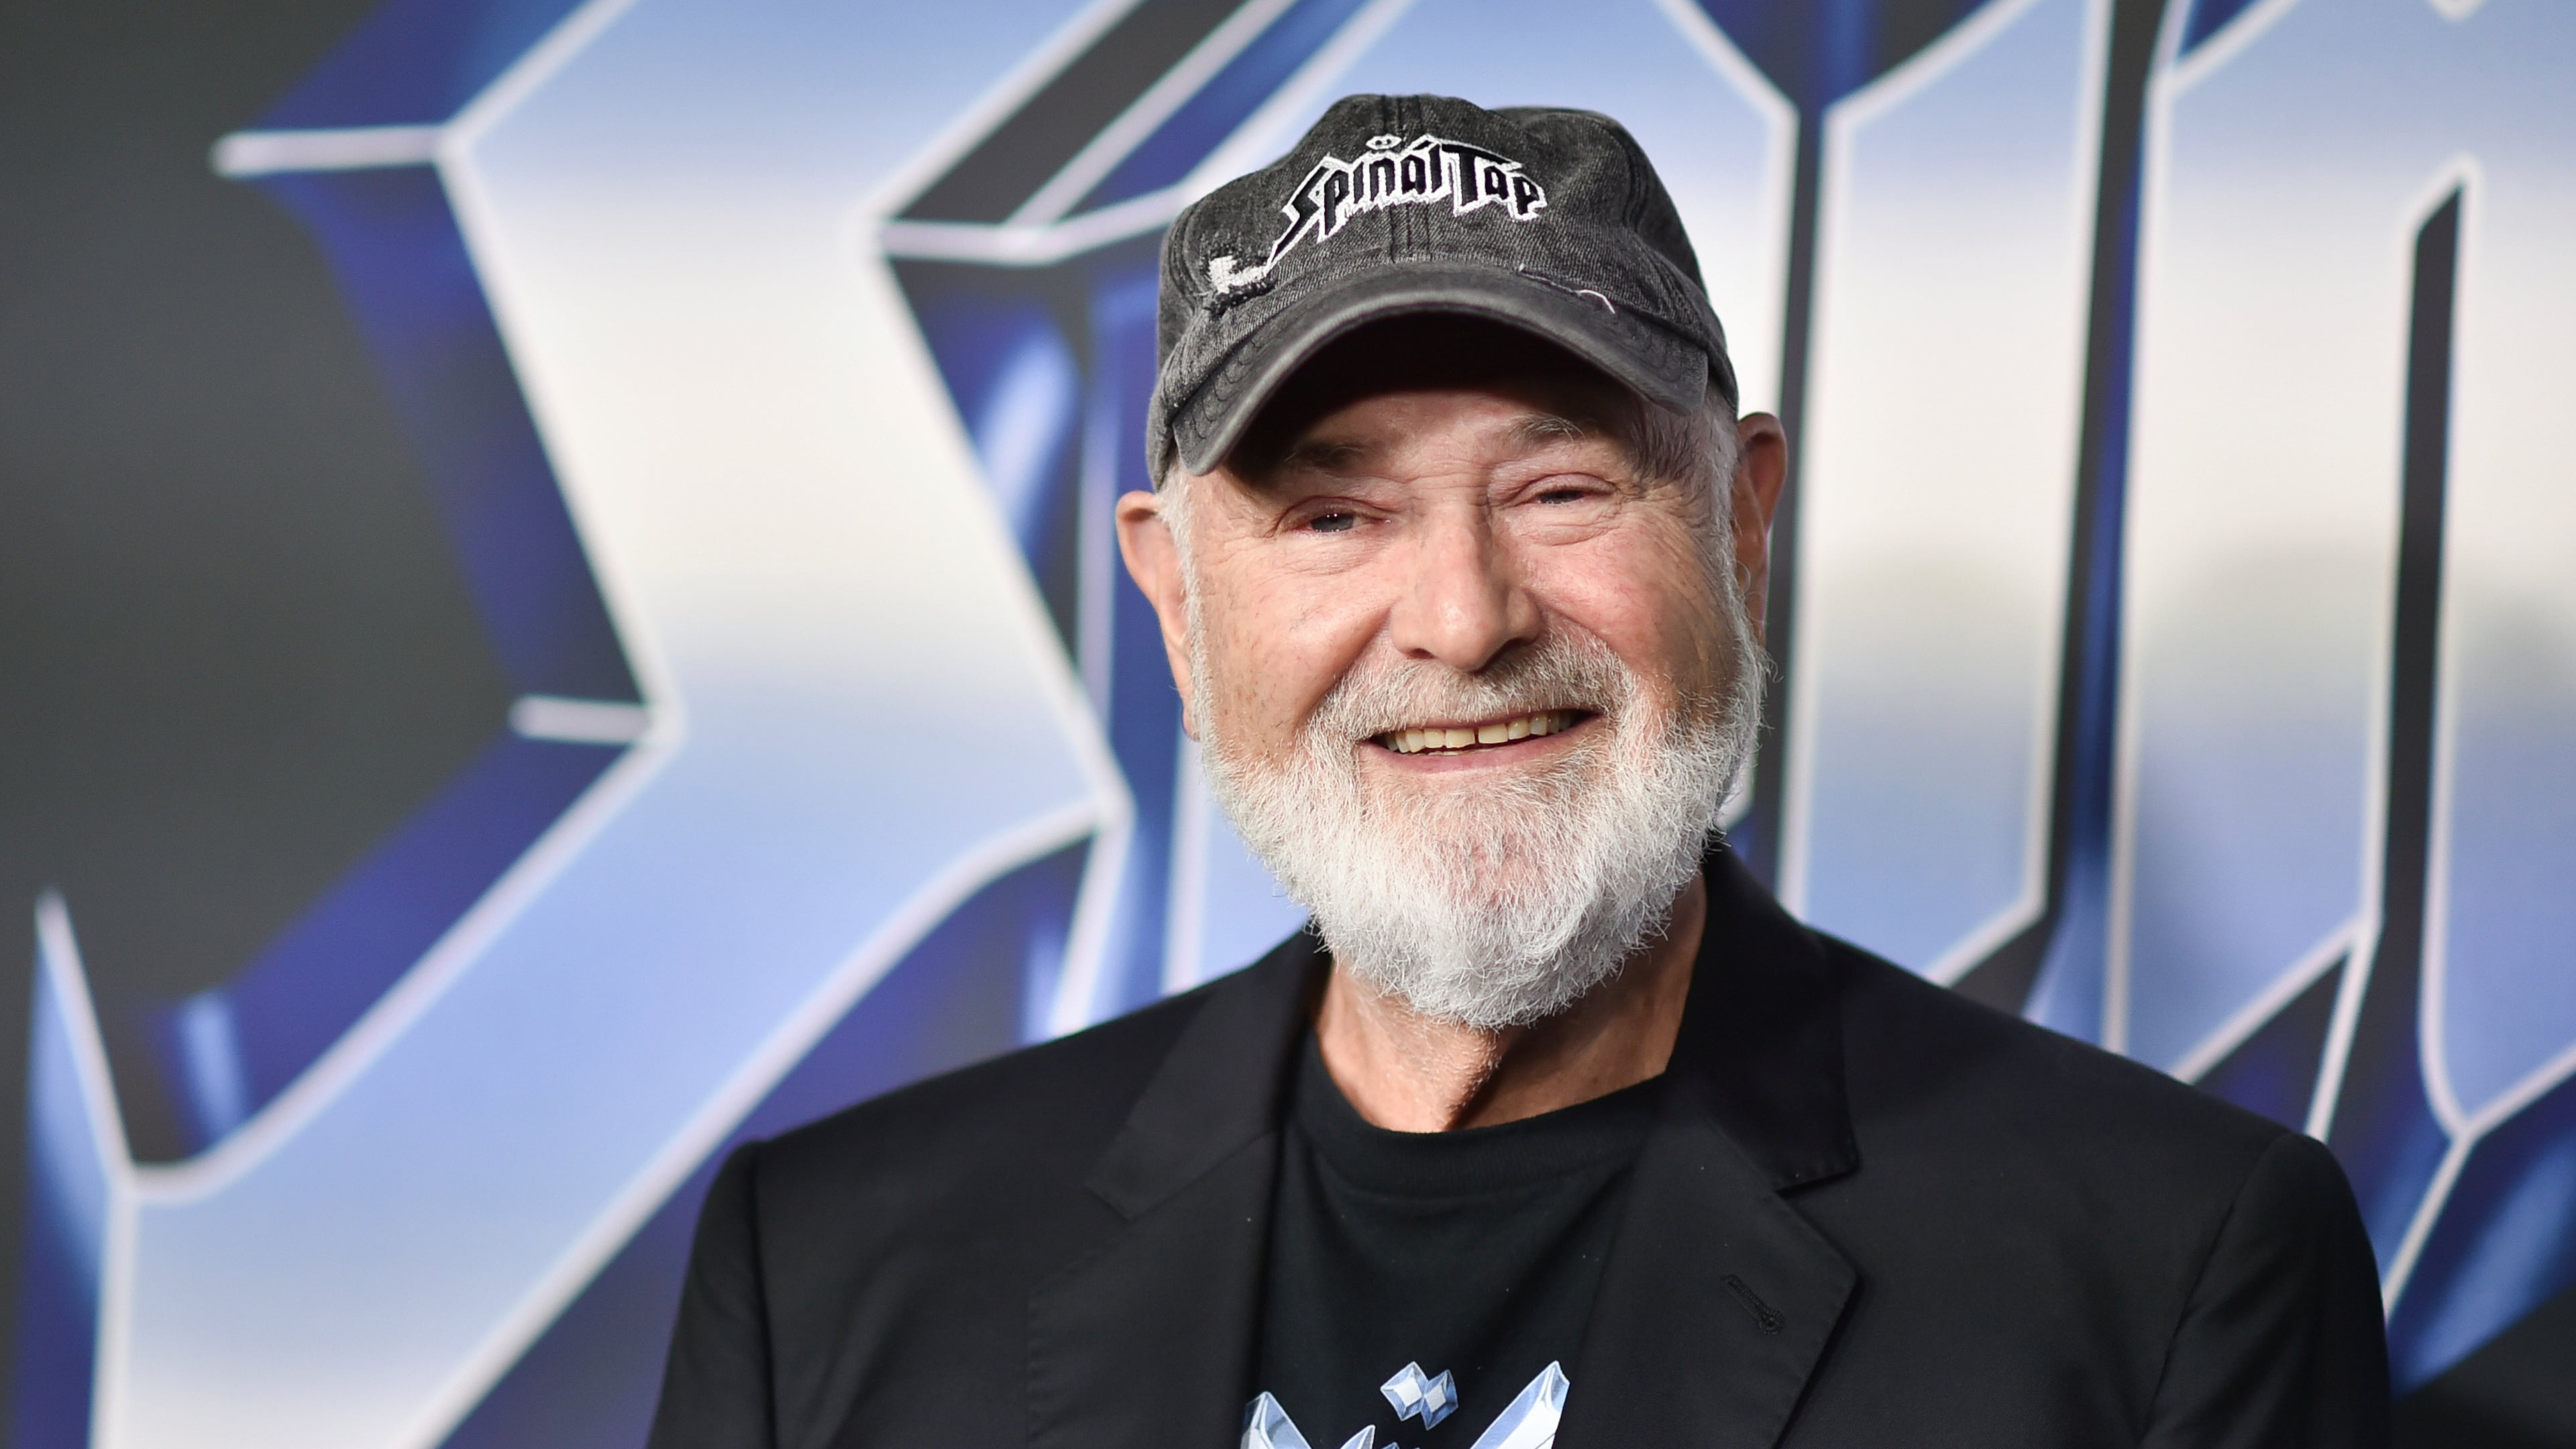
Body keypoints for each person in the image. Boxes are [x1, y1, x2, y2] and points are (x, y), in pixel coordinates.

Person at [647, 93, 2388, 1448]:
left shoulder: (2168, 1270)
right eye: (1334, 514)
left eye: (1561, 490)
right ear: (1178, 602)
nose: (1465, 620)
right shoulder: (830, 1268)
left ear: (1742, 529)